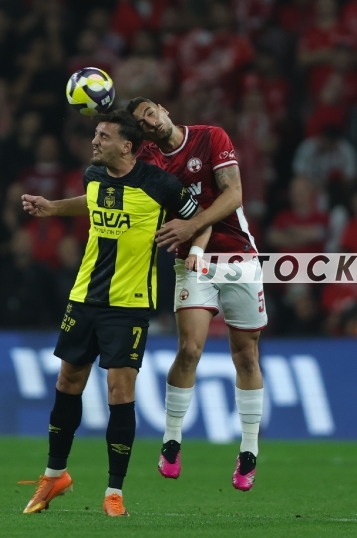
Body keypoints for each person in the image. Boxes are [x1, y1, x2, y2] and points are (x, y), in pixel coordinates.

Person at [18, 109, 209, 516]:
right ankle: (54, 475)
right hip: (84, 296)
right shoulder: (93, 175)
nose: (95, 141)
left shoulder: (160, 183)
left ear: (127, 146)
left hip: (129, 304)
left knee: (120, 392)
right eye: (96, 134)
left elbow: (202, 218)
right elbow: (90, 202)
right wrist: (52, 208)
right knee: (68, 381)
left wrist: (195, 250)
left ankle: (113, 492)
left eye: (103, 136)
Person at [126, 97, 268, 491]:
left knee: (246, 355)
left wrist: (191, 227)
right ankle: (172, 440)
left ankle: (249, 450)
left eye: (150, 113)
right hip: (191, 262)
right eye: (141, 123)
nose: (150, 122)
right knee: (189, 349)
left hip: (238, 256)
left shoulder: (210, 137)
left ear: (163, 109)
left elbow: (233, 195)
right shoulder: (149, 161)